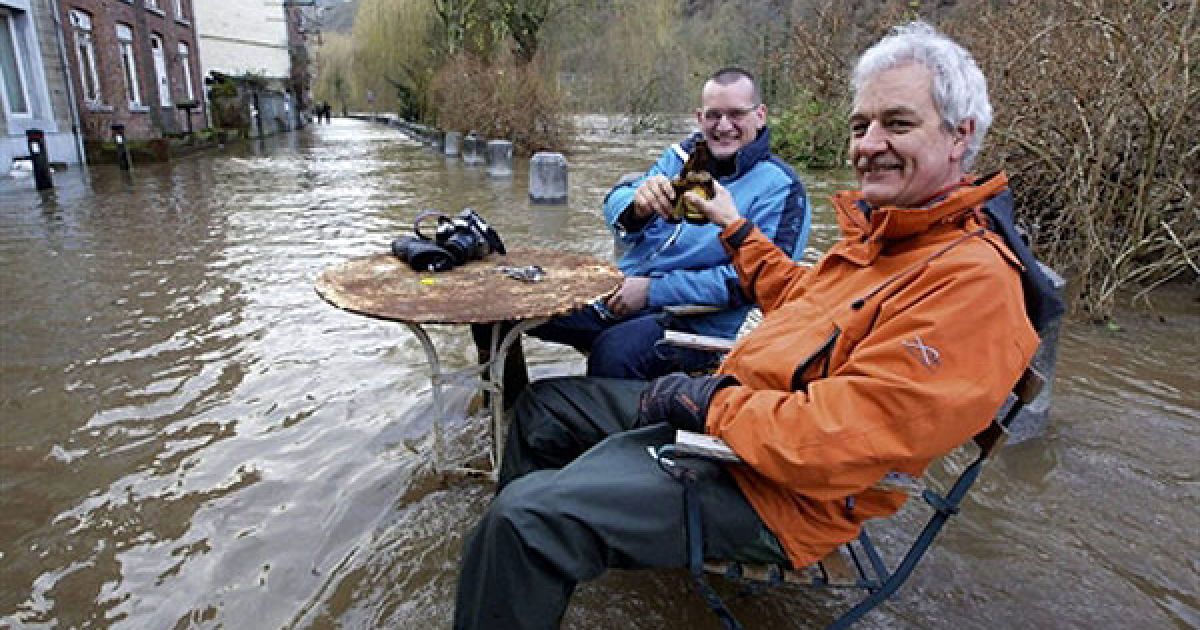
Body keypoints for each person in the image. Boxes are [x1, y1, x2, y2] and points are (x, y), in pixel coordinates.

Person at [454, 21, 1061, 629]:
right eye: (860, 125)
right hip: (740, 420)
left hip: (774, 490)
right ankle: (536, 573)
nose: (869, 143)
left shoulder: (971, 283)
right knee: (540, 411)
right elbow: (803, 299)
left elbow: (838, 441)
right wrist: (734, 228)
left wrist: (707, 402)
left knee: (523, 522)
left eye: (897, 124)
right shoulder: (887, 235)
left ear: (962, 135)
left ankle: (533, 551)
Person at [488, 67, 809, 387]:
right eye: (713, 115)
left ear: (760, 115)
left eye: (736, 114)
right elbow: (615, 203)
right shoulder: (680, 156)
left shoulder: (782, 189)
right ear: (699, 118)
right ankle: (503, 409)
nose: (723, 126)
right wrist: (637, 206)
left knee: (614, 352)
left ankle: (603, 431)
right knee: (505, 306)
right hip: (619, 294)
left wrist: (652, 291)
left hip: (698, 324)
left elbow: (755, 281)